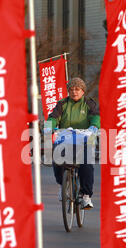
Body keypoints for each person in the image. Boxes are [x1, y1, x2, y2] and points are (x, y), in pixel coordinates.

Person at [44, 77, 100, 209]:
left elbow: (96, 116)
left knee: (86, 164)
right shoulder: (62, 103)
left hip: (85, 138)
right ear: (68, 91)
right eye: (71, 89)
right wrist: (48, 127)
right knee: (57, 159)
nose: (74, 92)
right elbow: (53, 117)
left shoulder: (89, 103)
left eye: (77, 89)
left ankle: (86, 196)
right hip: (65, 137)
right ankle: (62, 185)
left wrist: (94, 126)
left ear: (83, 91)